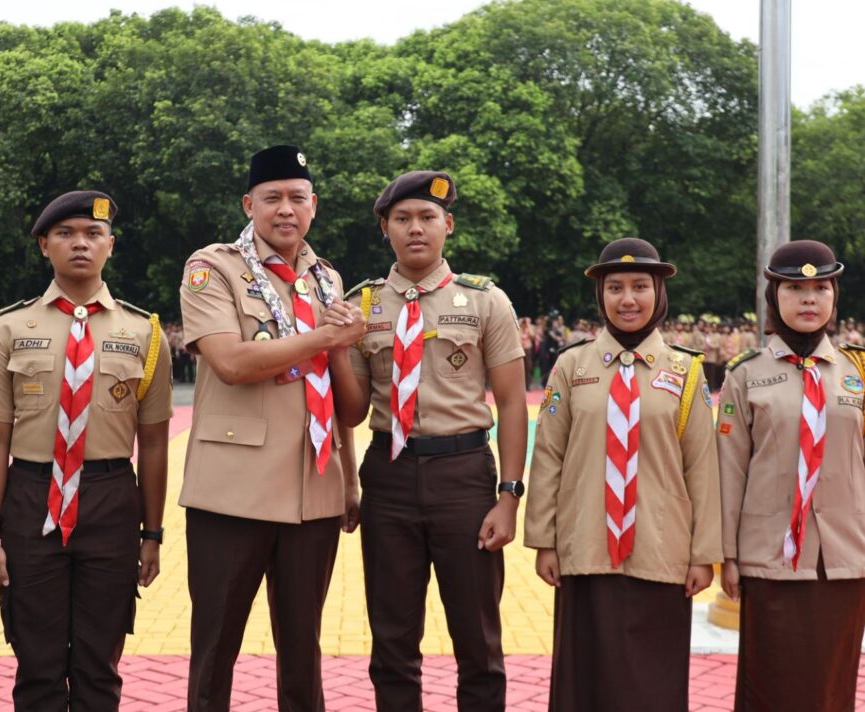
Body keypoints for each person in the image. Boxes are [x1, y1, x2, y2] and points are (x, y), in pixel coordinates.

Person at [332, 170, 528, 711]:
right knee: (392, 639)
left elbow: (512, 402)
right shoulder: (362, 305)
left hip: (463, 476)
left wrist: (509, 496)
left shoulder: (486, 302)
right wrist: (333, 346)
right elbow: (348, 413)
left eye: (426, 217)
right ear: (385, 229)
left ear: (448, 225)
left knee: (478, 638)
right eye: (402, 219)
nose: (415, 229)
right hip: (389, 475)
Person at [178, 144, 364, 712]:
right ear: (249, 203)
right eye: (273, 198)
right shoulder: (212, 268)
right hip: (234, 490)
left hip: (315, 490)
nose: (286, 209)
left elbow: (349, 408)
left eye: (297, 198)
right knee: (216, 648)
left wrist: (349, 479)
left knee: (304, 652)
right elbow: (231, 364)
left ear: (314, 206)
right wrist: (324, 339)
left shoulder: (328, 280)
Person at [0, 190, 172, 711]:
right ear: (44, 244)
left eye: (93, 234)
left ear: (111, 244)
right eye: (65, 234)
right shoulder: (10, 329)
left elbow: (152, 441)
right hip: (31, 495)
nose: (79, 243)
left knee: (99, 664)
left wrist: (151, 534)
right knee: (35, 662)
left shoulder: (145, 333)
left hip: (109, 498)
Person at [524, 237, 722, 712]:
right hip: (585, 547)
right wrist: (544, 540)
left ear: (659, 293)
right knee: (584, 676)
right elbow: (549, 455)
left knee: (652, 679)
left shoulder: (687, 371)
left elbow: (703, 468)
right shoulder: (572, 367)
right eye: (615, 287)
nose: (627, 298)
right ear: (601, 296)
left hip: (662, 549)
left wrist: (703, 554)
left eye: (639, 286)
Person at [717, 240, 865, 712]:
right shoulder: (745, 375)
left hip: (845, 558)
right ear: (773, 298)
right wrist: (727, 555)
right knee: (769, 686)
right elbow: (729, 471)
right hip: (770, 559)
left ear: (834, 297)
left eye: (820, 287)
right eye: (794, 288)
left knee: (831, 689)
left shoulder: (857, 372)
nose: (808, 299)